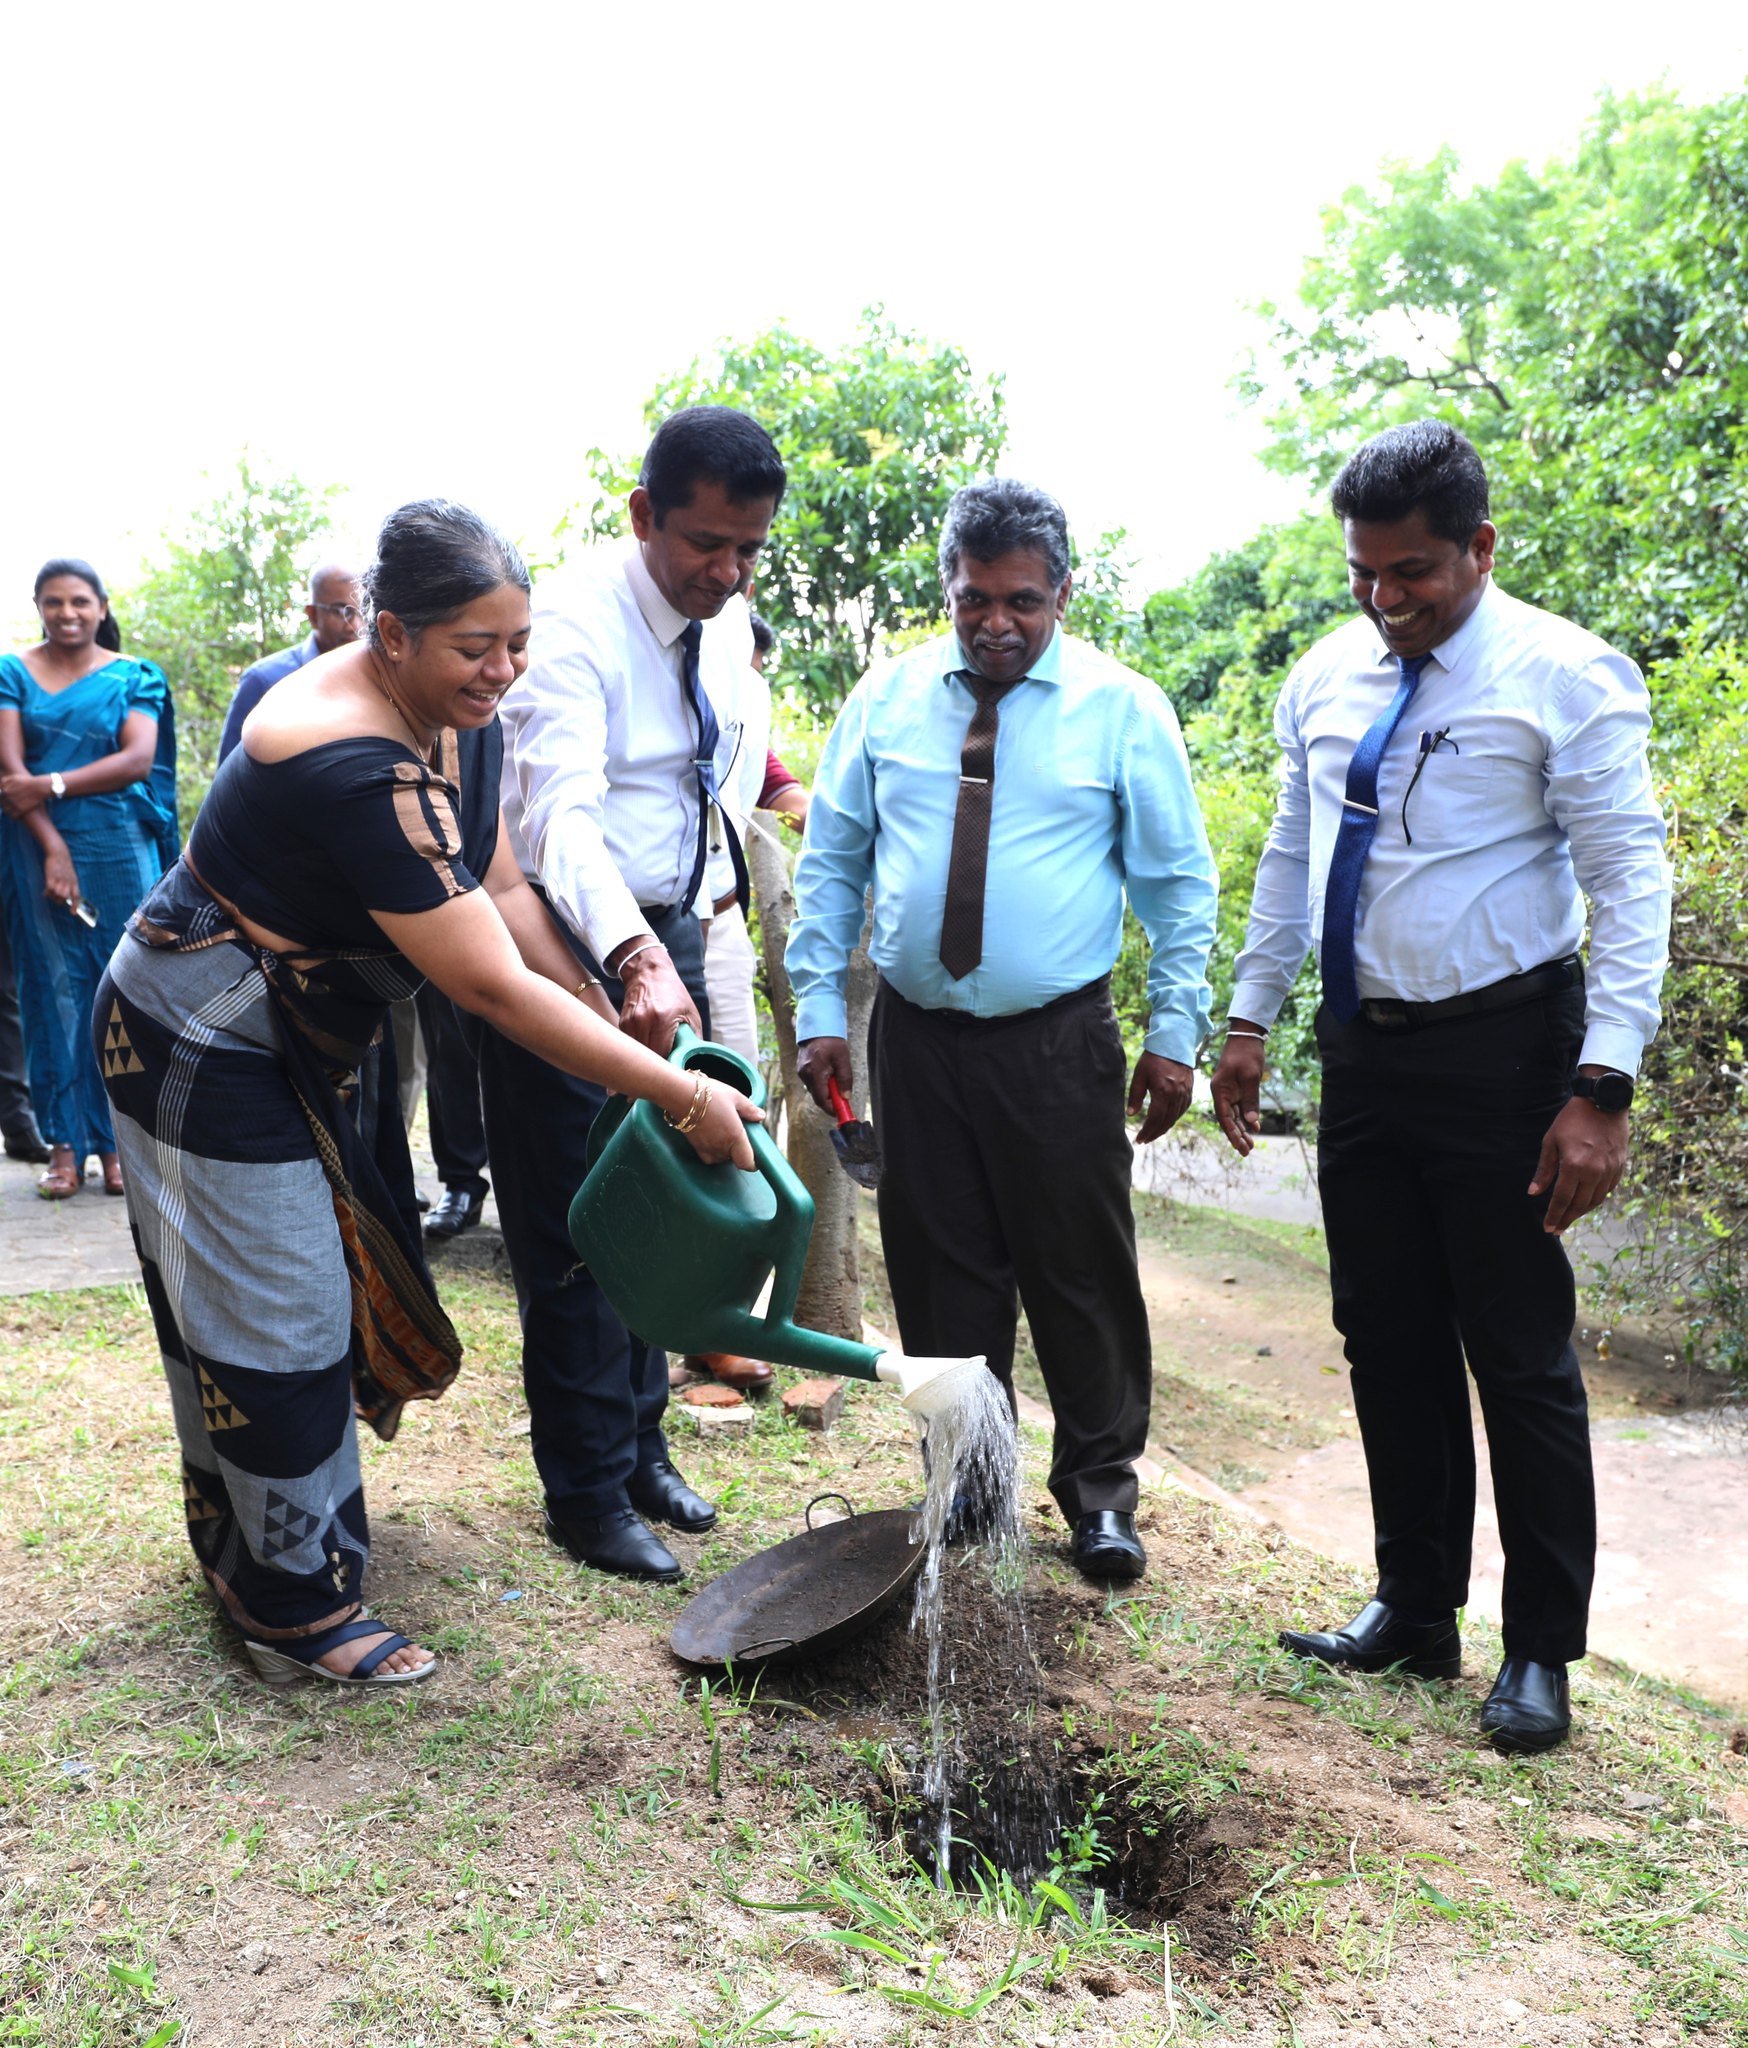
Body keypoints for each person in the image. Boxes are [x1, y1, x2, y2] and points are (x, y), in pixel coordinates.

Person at [96, 500, 761, 1690]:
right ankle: (295, 1606)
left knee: (281, 1295)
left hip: (290, 1028)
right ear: (390, 632)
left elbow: (501, 890)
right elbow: (489, 985)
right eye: (475, 647)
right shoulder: (347, 758)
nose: (503, 670)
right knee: (278, 1310)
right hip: (202, 1034)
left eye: (518, 644)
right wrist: (674, 1092)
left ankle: (256, 1554)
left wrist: (610, 1009)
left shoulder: (453, 716)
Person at [1208, 421, 1672, 1755]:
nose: (1384, 596)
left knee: (1516, 1351)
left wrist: (1603, 1086)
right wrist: (1248, 1017)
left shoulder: (1562, 675)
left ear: (1478, 546)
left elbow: (1630, 879)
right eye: (1363, 571)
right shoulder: (1325, 674)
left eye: (1410, 571)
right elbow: (1292, 854)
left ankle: (1538, 1652)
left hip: (1509, 1054)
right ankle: (1414, 1607)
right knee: (1385, 1330)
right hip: (1365, 1051)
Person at [787, 478, 1219, 1583]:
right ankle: (971, 1488)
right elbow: (831, 866)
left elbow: (1178, 885)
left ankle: (1099, 1495)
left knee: (1079, 1270)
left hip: (1057, 1042)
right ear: (948, 588)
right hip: (916, 1039)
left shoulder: (1123, 709)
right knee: (939, 1275)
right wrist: (822, 1011)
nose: (995, 623)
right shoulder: (885, 700)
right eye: (974, 599)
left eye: (1021, 601)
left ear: (1062, 594)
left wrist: (1175, 1032)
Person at [487, 406, 788, 1581]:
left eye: (747, 548)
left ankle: (639, 1448)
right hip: (566, 937)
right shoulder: (570, 623)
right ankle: (583, 1489)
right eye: (704, 543)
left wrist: (689, 927)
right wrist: (628, 954)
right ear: (642, 515)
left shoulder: (724, 619)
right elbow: (556, 816)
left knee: (660, 1204)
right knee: (577, 1219)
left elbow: (709, 783)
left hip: (668, 926)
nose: (725, 571)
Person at [0, 559, 178, 1199]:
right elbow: (10, 778)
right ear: (38, 608)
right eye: (53, 602)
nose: (67, 613)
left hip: (119, 848)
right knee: (51, 991)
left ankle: (119, 1144)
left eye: (79, 601)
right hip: (33, 845)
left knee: (123, 991)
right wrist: (52, 846)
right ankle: (65, 1146)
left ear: (102, 607)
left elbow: (136, 760)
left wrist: (50, 783)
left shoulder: (135, 676)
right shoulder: (11, 672)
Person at [217, 563, 364, 761]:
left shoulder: (375, 683)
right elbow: (229, 771)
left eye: (363, 610)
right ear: (313, 615)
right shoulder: (263, 681)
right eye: (340, 611)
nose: (354, 625)